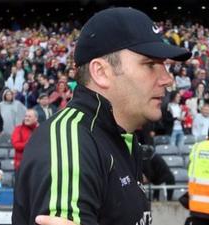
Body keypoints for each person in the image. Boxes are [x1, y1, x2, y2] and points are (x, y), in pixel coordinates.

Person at [12, 7, 191, 225]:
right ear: (101, 72)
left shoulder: (119, 139)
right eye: (151, 64)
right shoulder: (72, 142)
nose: (167, 79)